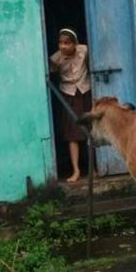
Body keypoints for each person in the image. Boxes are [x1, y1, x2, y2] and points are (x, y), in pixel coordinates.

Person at [49, 28, 92, 183]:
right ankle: (76, 170)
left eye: (67, 43)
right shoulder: (55, 59)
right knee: (72, 134)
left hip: (85, 91)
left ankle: (93, 168)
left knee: (90, 130)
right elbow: (50, 74)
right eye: (60, 43)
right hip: (68, 95)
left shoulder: (84, 51)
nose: (63, 47)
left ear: (75, 43)